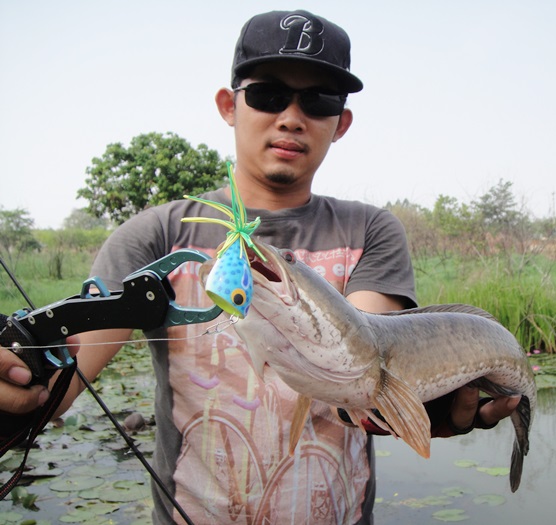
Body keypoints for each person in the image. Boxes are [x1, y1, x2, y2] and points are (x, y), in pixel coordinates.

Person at [0, 10, 519, 524]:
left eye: (318, 101)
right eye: (268, 94)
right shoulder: (155, 235)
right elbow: (62, 382)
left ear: (341, 122)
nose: (292, 117)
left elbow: (357, 363)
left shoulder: (371, 231)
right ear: (229, 105)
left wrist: (411, 403)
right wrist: (17, 387)